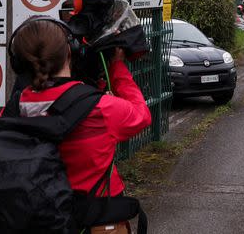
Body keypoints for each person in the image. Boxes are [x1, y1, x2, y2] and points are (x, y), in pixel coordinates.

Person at [10, 16, 152, 232]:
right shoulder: (101, 109)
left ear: (19, 63)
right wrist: (116, 66)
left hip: (37, 219)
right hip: (96, 219)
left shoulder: (13, 110)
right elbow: (142, 115)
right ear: (70, 52)